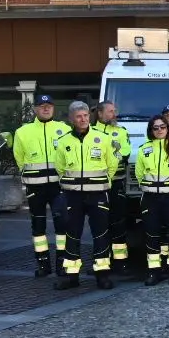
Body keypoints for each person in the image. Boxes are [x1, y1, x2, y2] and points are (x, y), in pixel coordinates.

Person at [54, 100, 119, 291]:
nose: (83, 119)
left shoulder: (103, 138)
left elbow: (112, 164)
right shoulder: (64, 141)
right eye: (78, 117)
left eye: (85, 116)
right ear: (72, 119)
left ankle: (102, 275)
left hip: (98, 193)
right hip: (73, 195)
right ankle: (71, 276)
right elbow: (60, 167)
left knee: (101, 235)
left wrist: (104, 181)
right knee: (72, 235)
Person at [11, 94, 68, 277]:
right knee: (38, 226)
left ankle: (62, 263)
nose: (46, 108)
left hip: (58, 187)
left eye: (49, 105)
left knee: (62, 225)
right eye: (42, 106)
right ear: (35, 109)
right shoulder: (23, 132)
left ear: (53, 108)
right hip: (35, 187)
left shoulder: (64, 129)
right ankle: (43, 264)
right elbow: (19, 159)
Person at [136, 116, 169, 285]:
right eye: (155, 128)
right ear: (151, 131)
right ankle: (154, 271)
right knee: (152, 234)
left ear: (168, 129)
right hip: (150, 197)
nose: (159, 130)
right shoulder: (144, 149)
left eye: (162, 127)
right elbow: (139, 173)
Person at [92, 101, 132, 271]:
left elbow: (125, 153)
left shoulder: (121, 132)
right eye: (110, 111)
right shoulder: (91, 132)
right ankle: (102, 261)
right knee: (100, 225)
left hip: (116, 183)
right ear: (100, 114)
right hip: (97, 186)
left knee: (118, 222)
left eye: (115, 111)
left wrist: (107, 156)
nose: (114, 114)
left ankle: (121, 262)